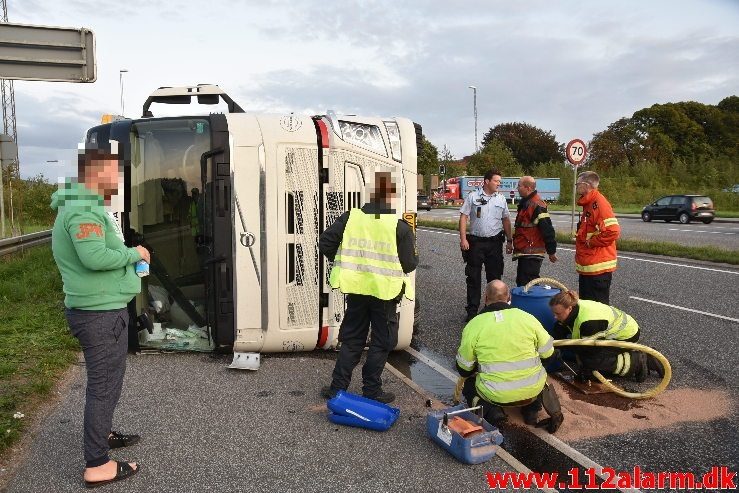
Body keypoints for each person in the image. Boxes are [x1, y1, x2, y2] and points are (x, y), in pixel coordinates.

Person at [51, 127, 149, 487]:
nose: (117, 182)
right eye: (113, 175)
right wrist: (133, 253)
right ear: (94, 173)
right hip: (98, 314)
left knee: (110, 383)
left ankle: (102, 433)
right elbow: (93, 257)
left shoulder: (86, 206)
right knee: (103, 387)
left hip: (105, 309)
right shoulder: (81, 209)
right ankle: (97, 464)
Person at [318, 171, 418, 404]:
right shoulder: (399, 227)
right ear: (392, 197)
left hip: (356, 289)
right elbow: (409, 264)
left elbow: (325, 243)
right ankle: (371, 390)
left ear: (371, 193)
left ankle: (337, 389)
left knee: (352, 339)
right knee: (382, 342)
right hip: (385, 293)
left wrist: (348, 261)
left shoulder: (351, 218)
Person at [456, 280, 564, 433]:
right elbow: (549, 355)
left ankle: (492, 413)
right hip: (531, 389)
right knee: (541, 378)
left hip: (495, 395)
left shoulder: (474, 325)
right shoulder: (527, 318)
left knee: (469, 385)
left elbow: (463, 369)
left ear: (485, 299)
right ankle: (531, 410)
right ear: (509, 298)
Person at [548, 290, 663, 382]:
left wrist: (564, 348)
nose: (555, 317)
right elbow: (559, 330)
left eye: (558, 314)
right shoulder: (573, 307)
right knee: (584, 361)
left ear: (569, 308)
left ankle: (638, 361)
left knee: (591, 362)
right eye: (554, 313)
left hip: (625, 335)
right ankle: (638, 356)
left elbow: (588, 350)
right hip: (613, 331)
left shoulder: (589, 322)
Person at [459, 169, 513, 322]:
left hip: (495, 244)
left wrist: (510, 240)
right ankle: (472, 312)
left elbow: (506, 220)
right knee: (473, 278)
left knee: (495, 279)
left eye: (499, 181)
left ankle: (493, 310)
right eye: (496, 181)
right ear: (487, 181)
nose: (499, 184)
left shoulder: (501, 199)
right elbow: (463, 217)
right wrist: (463, 239)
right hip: (476, 243)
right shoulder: (473, 196)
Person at [574, 171, 620, 304]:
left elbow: (613, 231)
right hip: (590, 267)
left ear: (585, 185)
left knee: (599, 310)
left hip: (598, 269)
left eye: (578, 184)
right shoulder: (589, 203)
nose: (576, 186)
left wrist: (591, 243)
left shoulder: (599, 203)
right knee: (588, 308)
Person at [512, 176, 557, 286]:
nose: (517, 188)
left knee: (528, 284)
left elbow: (547, 229)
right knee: (524, 283)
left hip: (532, 251)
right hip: (526, 251)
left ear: (527, 188)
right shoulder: (527, 203)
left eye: (519, 186)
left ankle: (529, 303)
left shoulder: (536, 204)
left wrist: (551, 251)